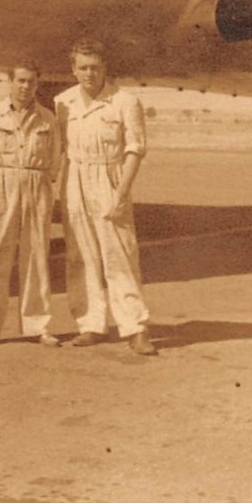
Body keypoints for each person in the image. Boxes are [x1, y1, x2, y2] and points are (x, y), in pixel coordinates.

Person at [54, 38, 157, 355]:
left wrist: (121, 193)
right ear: (73, 70)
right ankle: (90, 323)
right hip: (75, 179)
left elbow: (135, 149)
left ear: (105, 68)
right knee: (79, 256)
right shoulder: (64, 102)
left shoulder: (125, 101)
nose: (89, 74)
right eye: (82, 68)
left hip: (110, 178)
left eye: (94, 68)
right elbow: (59, 149)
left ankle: (135, 327)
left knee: (120, 256)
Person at [0, 61, 62, 347]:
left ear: (37, 85)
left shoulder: (47, 118)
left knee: (36, 258)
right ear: (10, 81)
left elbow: (55, 156)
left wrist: (44, 181)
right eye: (20, 81)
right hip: (2, 184)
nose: (25, 87)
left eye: (31, 82)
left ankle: (37, 325)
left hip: (36, 185)